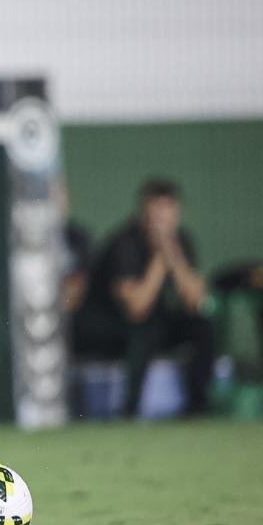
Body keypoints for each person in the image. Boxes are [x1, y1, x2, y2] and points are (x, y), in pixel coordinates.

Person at [75, 178, 215, 418]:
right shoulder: (123, 243)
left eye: (167, 212)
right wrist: (161, 258)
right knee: (143, 330)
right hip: (106, 328)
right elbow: (137, 308)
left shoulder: (182, 241)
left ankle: (198, 409)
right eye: (155, 214)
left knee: (202, 327)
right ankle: (131, 411)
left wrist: (173, 254)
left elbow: (195, 302)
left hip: (154, 323)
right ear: (143, 214)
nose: (161, 222)